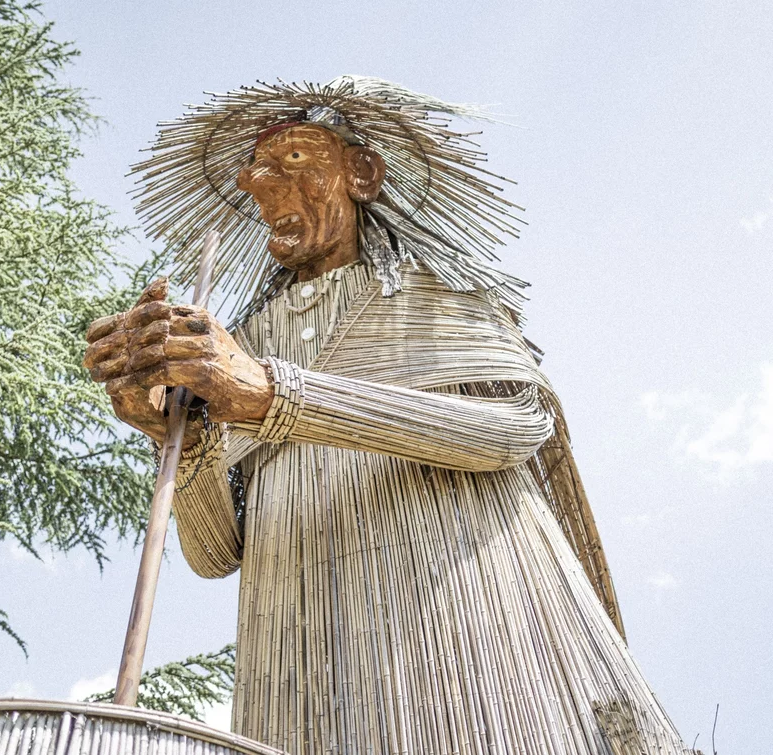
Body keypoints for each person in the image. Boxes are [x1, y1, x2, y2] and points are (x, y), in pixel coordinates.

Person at [83, 77, 686, 754]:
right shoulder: (241, 342)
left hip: (463, 614)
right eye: (256, 172)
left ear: (362, 174)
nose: (261, 185)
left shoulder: (431, 294)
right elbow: (215, 552)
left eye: (295, 161)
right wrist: (181, 435)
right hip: (301, 658)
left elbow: (512, 430)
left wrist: (272, 396)